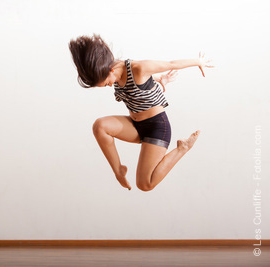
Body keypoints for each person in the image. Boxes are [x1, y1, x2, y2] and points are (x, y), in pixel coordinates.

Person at [68, 33, 214, 191]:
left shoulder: (139, 67)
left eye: (106, 83)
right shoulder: (117, 75)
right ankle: (119, 172)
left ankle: (183, 148)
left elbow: (171, 63)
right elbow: (145, 81)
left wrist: (198, 62)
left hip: (157, 128)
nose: (110, 85)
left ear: (109, 70)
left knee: (145, 184)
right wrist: (160, 79)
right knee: (99, 126)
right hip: (136, 126)